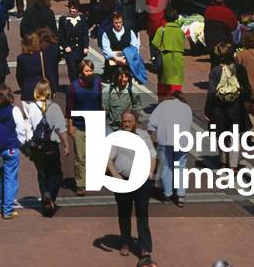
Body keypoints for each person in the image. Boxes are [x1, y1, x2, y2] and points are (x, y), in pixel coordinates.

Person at [108, 109, 157, 263]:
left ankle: (144, 246)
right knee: (124, 212)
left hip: (141, 181)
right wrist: (114, 174)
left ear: (135, 122)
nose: (127, 124)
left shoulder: (143, 135)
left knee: (142, 212)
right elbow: (108, 158)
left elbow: (152, 155)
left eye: (129, 121)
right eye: (125, 121)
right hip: (122, 180)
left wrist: (150, 172)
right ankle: (125, 242)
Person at [23, 78, 69, 215]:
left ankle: (45, 195)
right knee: (56, 173)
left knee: (42, 173)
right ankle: (51, 196)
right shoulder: (54, 107)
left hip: (37, 146)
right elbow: (61, 129)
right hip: (51, 145)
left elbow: (28, 127)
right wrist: (66, 145)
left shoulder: (32, 107)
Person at [0, 83, 28, 219]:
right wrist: (20, 142)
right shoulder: (14, 110)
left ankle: (1, 204)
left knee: (0, 177)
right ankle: (8, 209)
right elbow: (21, 128)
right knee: (10, 178)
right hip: (11, 148)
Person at [205, 42, 247, 168]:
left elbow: (211, 92)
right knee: (235, 135)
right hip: (236, 106)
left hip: (219, 107)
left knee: (221, 133)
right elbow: (247, 88)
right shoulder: (240, 69)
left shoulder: (216, 71)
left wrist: (207, 110)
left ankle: (223, 161)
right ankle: (233, 165)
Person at [148, 89, 193, 206]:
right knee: (181, 167)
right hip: (183, 140)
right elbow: (189, 123)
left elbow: (152, 122)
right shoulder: (186, 107)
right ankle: (180, 195)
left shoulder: (163, 105)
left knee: (166, 166)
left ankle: (167, 194)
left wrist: (149, 133)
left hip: (166, 139)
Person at [66, 58, 102, 196]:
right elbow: (69, 108)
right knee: (80, 157)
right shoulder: (74, 87)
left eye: (91, 70)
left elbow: (100, 104)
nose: (89, 73)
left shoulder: (98, 84)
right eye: (87, 71)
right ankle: (80, 184)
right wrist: (70, 125)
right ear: (81, 72)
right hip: (79, 126)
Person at [102, 11, 147, 86]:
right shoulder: (106, 34)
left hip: (127, 64)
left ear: (122, 22)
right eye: (116, 23)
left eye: (120, 22)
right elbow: (106, 50)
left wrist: (125, 59)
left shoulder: (130, 32)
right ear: (113, 22)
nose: (118, 24)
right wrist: (116, 58)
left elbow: (135, 48)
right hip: (112, 65)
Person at [16, 27, 59, 102]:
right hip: (41, 88)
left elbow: (19, 76)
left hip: (27, 90)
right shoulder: (42, 55)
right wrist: (54, 88)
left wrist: (24, 86)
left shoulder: (21, 58)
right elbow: (49, 73)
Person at [151, 6, 186, 98]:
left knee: (163, 82)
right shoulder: (180, 31)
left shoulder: (161, 30)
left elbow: (155, 43)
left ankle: (163, 101)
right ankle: (176, 100)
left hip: (165, 59)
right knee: (176, 82)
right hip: (178, 59)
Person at [57, 0, 87, 83]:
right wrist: (65, 46)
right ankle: (74, 87)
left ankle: (79, 87)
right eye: (72, 8)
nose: (74, 10)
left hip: (80, 50)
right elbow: (60, 35)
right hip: (70, 51)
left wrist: (85, 46)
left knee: (80, 71)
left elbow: (85, 34)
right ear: (69, 8)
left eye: (75, 8)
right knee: (72, 71)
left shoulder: (82, 19)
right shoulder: (63, 19)